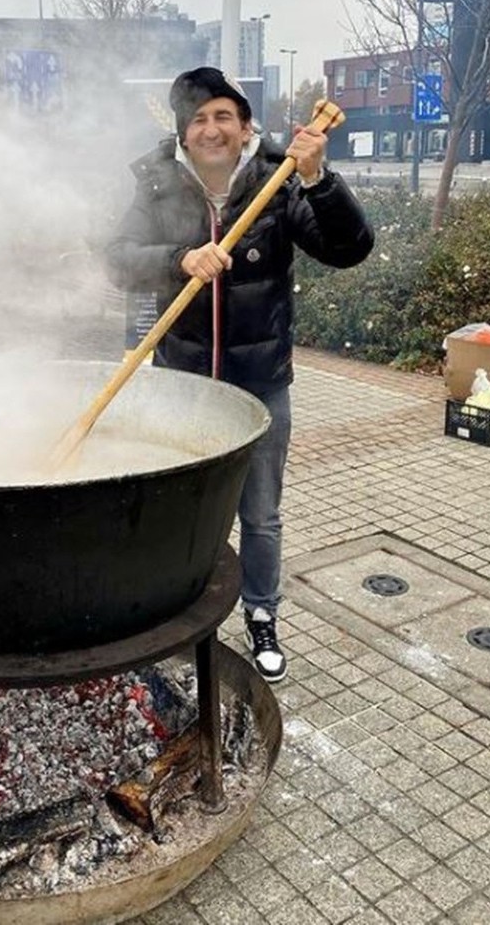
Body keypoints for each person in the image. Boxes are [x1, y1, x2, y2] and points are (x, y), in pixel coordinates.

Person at [106, 68, 373, 682]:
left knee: (260, 513)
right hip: (185, 385)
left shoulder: (278, 181)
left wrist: (318, 180)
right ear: (183, 132)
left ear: (245, 125)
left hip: (260, 382)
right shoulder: (157, 185)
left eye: (223, 114)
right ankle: (176, 620)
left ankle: (260, 614)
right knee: (181, 515)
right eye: (198, 117)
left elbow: (348, 247)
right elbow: (117, 260)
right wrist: (179, 259)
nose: (211, 127)